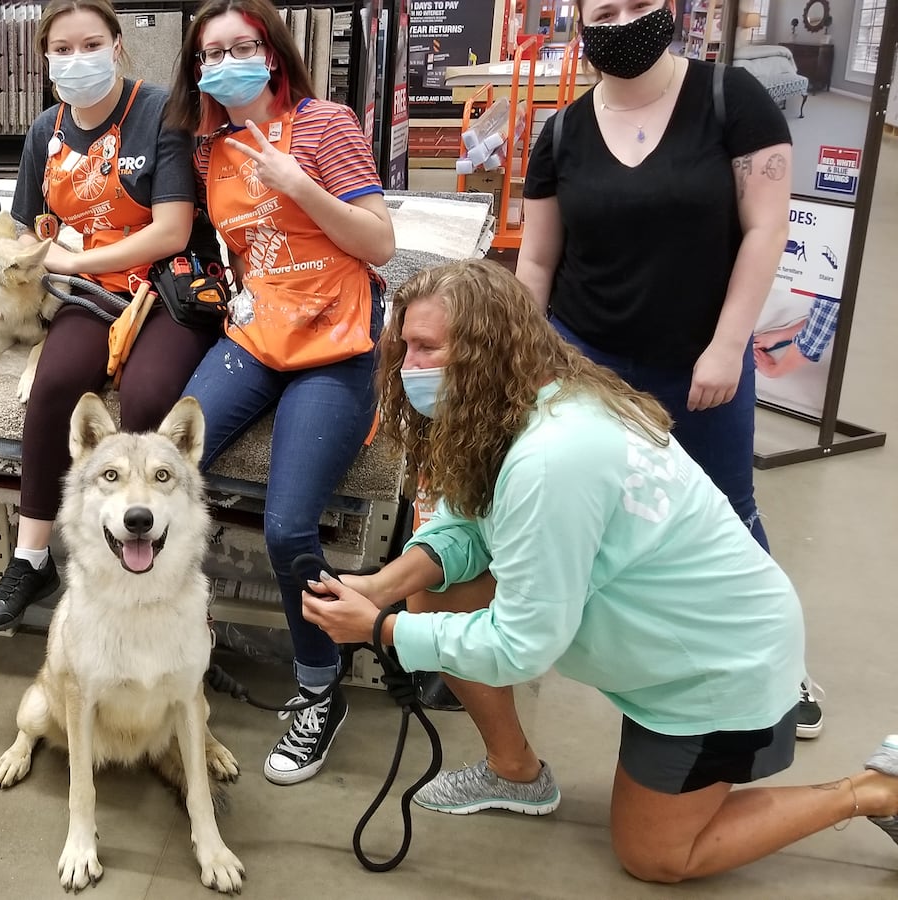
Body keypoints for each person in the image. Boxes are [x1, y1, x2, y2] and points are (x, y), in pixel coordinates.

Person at [300, 259, 898, 884]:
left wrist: (380, 631)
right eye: (404, 348)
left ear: (488, 350)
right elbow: (467, 523)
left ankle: (872, 790)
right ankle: (516, 774)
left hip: (714, 669)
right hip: (663, 639)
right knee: (433, 589)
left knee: (657, 857)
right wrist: (382, 588)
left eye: (427, 348)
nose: (408, 368)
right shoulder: (525, 402)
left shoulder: (553, 458)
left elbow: (524, 645)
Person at [514, 0, 824, 736]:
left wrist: (725, 344)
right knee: (581, 512)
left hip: (700, 359)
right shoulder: (561, 132)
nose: (623, 20)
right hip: (585, 356)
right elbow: (537, 257)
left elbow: (765, 228)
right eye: (606, 9)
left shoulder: (731, 100)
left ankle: (774, 663)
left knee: (726, 511)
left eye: (639, 4)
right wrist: (527, 358)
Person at [159, 0, 394, 785]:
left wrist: (300, 186)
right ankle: (167, 642)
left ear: (272, 52)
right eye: (208, 54)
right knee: (165, 469)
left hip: (335, 347)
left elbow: (380, 246)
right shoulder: (206, 145)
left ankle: (320, 686)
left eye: (240, 47)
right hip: (254, 337)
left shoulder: (325, 126)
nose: (223, 63)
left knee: (291, 526)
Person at [0, 0, 216, 632]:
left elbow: (172, 230)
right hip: (84, 295)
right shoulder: (43, 131)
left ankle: (157, 557)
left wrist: (76, 262)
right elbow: (25, 229)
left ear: (118, 47)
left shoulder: (159, 112)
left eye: (90, 45)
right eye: (62, 50)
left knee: (150, 393)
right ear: (45, 59)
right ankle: (32, 558)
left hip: (164, 289)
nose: (77, 61)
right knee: (55, 385)